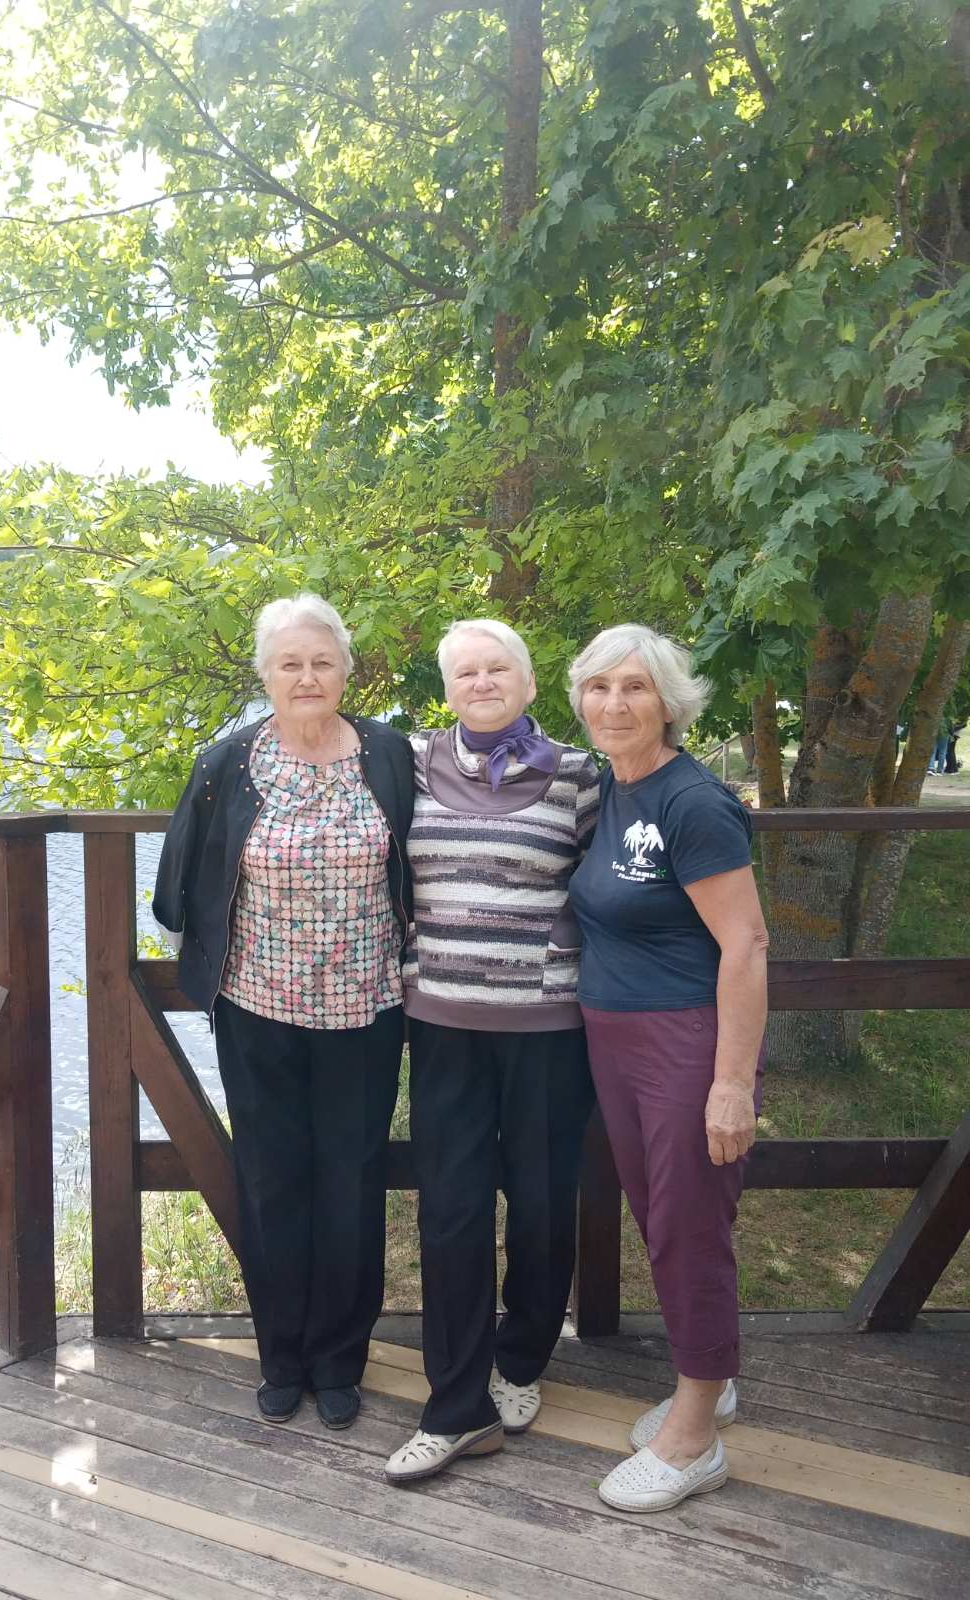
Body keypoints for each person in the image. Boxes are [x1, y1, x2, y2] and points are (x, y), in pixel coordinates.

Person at [152, 593, 413, 1431]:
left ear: (346, 672)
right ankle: (282, 1356)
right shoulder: (226, 763)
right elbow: (177, 884)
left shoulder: (388, 754)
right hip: (256, 1007)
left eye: (322, 662)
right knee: (271, 1180)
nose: (307, 677)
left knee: (352, 1180)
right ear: (265, 675)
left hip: (366, 1009)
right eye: (289, 664)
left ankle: (339, 1361)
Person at [384, 619, 600, 1484]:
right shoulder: (407, 763)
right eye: (465, 672)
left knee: (542, 1203)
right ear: (446, 690)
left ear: (529, 681)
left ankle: (522, 1357)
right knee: (451, 1209)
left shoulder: (580, 776)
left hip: (547, 1029)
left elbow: (616, 882)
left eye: (498, 667)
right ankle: (455, 1398)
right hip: (442, 1025)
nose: (482, 682)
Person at [566, 623, 768, 1514]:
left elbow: (747, 944)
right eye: (599, 686)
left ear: (670, 703)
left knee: (688, 1226)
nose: (614, 703)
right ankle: (708, 1382)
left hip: (685, 1043)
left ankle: (695, 1439)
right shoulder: (613, 786)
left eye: (636, 687)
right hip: (617, 1042)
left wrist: (731, 1083)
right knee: (659, 1218)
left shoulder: (692, 802)